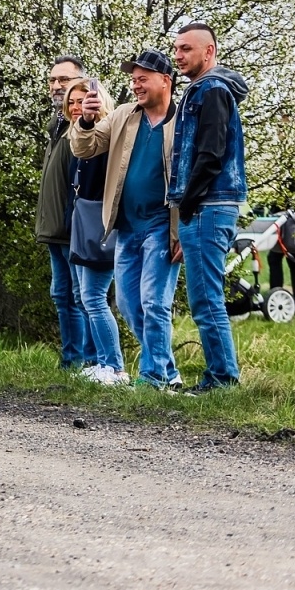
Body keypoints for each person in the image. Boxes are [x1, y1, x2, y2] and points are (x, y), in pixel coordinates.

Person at [70, 50, 181, 389]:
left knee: (154, 302)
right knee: (130, 305)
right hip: (126, 227)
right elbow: (84, 148)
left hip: (163, 226)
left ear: (166, 80)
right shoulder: (122, 116)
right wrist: (86, 121)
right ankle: (169, 374)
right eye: (133, 80)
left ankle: (152, 380)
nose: (135, 86)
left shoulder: (184, 121)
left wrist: (185, 232)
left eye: (142, 79)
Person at [169, 23, 250, 394]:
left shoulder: (213, 90)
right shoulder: (201, 90)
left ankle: (222, 378)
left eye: (186, 49)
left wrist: (187, 202)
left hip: (208, 204)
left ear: (209, 52)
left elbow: (211, 154)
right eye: (176, 49)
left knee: (205, 296)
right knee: (204, 294)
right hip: (206, 204)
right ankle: (221, 374)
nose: (178, 55)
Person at [62, 78, 126, 385]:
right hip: (83, 224)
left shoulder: (109, 139)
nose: (79, 107)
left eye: (86, 101)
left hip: (99, 225)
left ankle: (113, 366)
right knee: (85, 296)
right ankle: (98, 361)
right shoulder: (80, 141)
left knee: (94, 297)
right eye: (73, 103)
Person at [36, 55, 91, 370]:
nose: (57, 86)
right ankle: (71, 360)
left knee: (82, 296)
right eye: (53, 80)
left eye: (64, 80)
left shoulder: (84, 126)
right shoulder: (57, 125)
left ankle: (88, 361)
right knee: (62, 294)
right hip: (56, 227)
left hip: (76, 228)